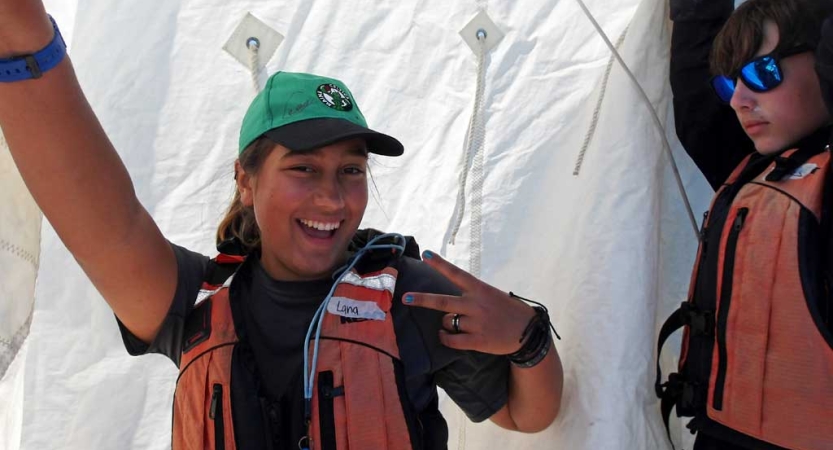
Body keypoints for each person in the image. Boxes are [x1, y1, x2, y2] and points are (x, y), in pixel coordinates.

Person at [0, 2, 563, 449]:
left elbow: (525, 414)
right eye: (303, 168)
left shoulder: (410, 297)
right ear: (246, 179)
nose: (332, 196)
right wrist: (20, 39)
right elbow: (99, 214)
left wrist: (530, 339)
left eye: (351, 170)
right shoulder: (188, 302)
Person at [657, 0, 833, 449]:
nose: (739, 99)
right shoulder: (749, 170)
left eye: (762, 73)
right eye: (729, 83)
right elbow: (698, 99)